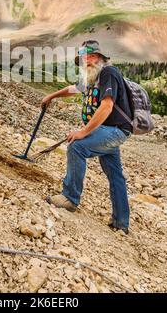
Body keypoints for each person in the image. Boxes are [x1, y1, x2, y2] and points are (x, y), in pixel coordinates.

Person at [42, 40, 132, 234]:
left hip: (114, 130)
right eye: (84, 57)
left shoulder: (108, 73)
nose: (87, 61)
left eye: (91, 56)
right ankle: (121, 222)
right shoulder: (91, 77)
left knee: (77, 146)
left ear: (101, 58)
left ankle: (70, 198)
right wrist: (51, 96)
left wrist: (83, 132)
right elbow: (73, 89)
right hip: (109, 131)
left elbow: (106, 106)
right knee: (115, 174)